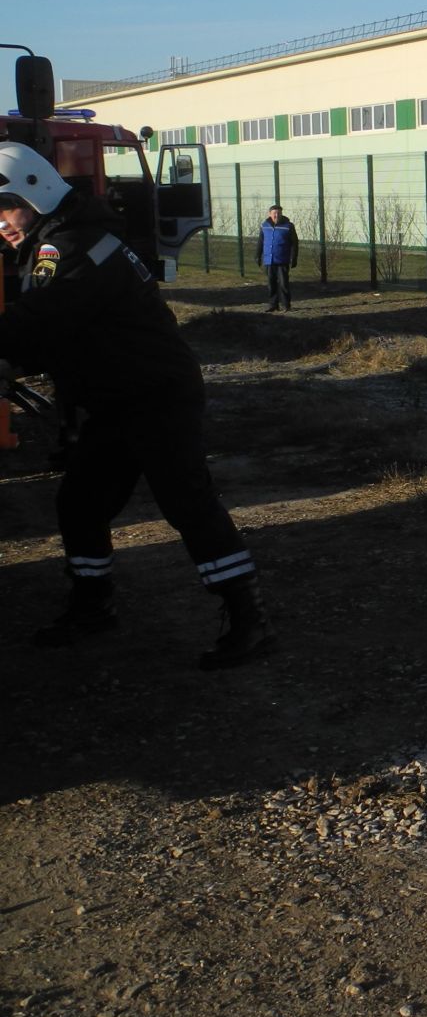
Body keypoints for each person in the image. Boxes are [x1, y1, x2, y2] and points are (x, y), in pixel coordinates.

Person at [0, 142, 276, 668]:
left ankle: (250, 620)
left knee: (187, 504)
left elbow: (43, 319)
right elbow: (55, 332)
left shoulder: (74, 246)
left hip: (155, 396)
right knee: (80, 503)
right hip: (115, 399)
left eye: (4, 209)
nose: (2, 224)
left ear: (34, 194)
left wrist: (12, 350)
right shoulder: (65, 239)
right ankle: (92, 606)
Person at [258, 202, 299, 312]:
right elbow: (261, 242)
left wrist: (293, 258)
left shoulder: (288, 226)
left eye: (279, 213)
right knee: (271, 285)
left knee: (283, 284)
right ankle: (273, 305)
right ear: (270, 214)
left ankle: (286, 305)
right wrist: (257, 255)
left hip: (282, 260)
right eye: (274, 213)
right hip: (268, 260)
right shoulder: (264, 226)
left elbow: (294, 243)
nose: (277, 215)